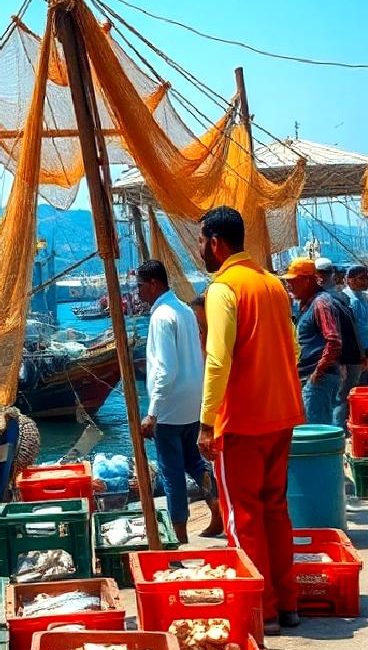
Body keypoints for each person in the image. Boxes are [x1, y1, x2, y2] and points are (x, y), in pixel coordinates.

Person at [196, 206, 304, 635]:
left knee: (242, 516)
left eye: (202, 240)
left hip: (242, 421)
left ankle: (265, 610)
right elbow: (291, 348)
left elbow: (218, 358)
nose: (201, 248)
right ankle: (288, 600)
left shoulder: (224, 289)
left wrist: (206, 421)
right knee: (275, 509)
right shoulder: (274, 285)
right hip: (281, 416)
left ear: (216, 243)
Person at [136, 260, 221, 544]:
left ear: (153, 284)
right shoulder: (185, 310)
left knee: (171, 472)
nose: (138, 294)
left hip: (170, 407)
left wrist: (152, 413)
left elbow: (165, 369)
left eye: (139, 287)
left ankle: (180, 537)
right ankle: (216, 506)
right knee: (194, 461)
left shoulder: (161, 316)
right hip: (192, 401)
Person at [281, 258, 343, 424]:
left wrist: (317, 373)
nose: (288, 285)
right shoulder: (308, 304)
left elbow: (334, 341)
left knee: (316, 435)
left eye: (292, 281)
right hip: (311, 379)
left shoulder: (321, 303)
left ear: (307, 280)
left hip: (317, 380)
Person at [343, 265, 368, 389]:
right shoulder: (347, 300)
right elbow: (352, 331)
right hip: (357, 353)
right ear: (350, 280)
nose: (365, 281)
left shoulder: (363, 297)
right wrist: (361, 354)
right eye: (361, 278)